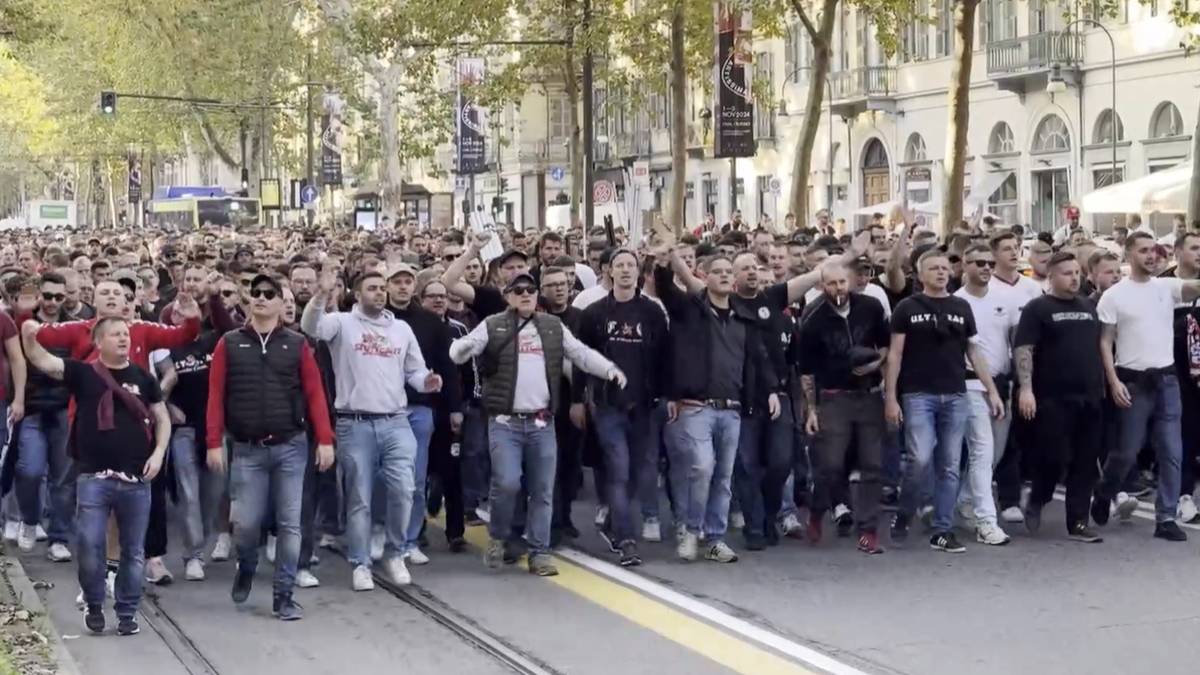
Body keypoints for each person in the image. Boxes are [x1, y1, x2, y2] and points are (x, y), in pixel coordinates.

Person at [449, 272, 626, 577]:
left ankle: (539, 552)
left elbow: (580, 354)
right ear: (508, 296)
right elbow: (461, 348)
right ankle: (499, 537)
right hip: (505, 422)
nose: (526, 294)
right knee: (506, 483)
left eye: (530, 289)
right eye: (518, 290)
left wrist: (608, 368)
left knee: (543, 490)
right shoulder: (494, 324)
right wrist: (462, 351)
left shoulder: (552, 327)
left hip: (542, 422)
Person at [22, 316, 170, 637]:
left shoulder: (144, 378)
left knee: (133, 551)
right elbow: (43, 361)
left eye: (126, 334)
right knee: (90, 544)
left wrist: (158, 453)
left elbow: (161, 417)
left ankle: (127, 612)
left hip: (136, 479)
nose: (123, 339)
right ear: (98, 341)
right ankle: (93, 601)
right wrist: (29, 338)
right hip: (93, 477)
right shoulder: (83, 372)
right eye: (115, 334)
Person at [206, 273, 335, 620]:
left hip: (291, 446)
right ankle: (246, 564)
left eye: (269, 293)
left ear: (281, 303)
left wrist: (324, 439)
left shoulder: (297, 344)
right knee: (246, 525)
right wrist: (213, 441)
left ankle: (284, 594)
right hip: (247, 448)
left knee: (290, 522)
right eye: (256, 293)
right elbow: (216, 394)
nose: (261, 298)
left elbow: (315, 395)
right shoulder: (229, 343)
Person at [653, 247, 781, 564]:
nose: (724, 275)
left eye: (728, 272)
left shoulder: (744, 317)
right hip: (697, 406)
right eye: (717, 271)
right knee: (702, 466)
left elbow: (758, 358)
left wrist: (771, 390)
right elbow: (667, 288)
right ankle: (691, 531)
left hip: (733, 408)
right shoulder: (691, 310)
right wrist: (661, 262)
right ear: (705, 278)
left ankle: (714, 538)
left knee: (723, 478)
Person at [886, 249, 1004, 553]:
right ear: (921, 274)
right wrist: (891, 398)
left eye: (944, 268)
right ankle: (905, 512)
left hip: (956, 394)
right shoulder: (907, 308)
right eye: (934, 268)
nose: (941, 272)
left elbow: (973, 352)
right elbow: (895, 355)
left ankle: (942, 529)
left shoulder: (961, 306)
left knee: (950, 465)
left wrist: (990, 389)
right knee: (920, 459)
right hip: (918, 394)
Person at [1092, 232, 1200, 541]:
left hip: (1167, 381)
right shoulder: (1114, 295)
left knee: (1172, 452)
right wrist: (1113, 381)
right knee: (1126, 452)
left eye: (1154, 251)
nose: (1151, 256)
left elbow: (1193, 286)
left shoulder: (1166, 288)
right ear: (1128, 254)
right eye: (1143, 251)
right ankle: (1106, 489)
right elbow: (1105, 341)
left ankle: (1165, 518)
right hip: (1132, 381)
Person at [577, 249, 670, 566]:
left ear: (639, 272)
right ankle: (626, 539)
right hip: (608, 406)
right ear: (609, 272)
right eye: (620, 265)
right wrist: (579, 399)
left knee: (640, 473)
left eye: (632, 265)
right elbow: (582, 359)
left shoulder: (653, 312)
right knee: (618, 469)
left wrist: (666, 397)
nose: (626, 270)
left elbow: (664, 358)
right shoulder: (593, 313)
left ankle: (613, 518)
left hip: (644, 406)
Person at [1014, 252, 1105, 543]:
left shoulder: (1089, 307)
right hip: (1052, 397)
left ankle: (1078, 522)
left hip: (1089, 396)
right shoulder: (1037, 308)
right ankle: (1038, 497)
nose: (1074, 277)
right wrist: (1026, 389)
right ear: (1051, 277)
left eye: (1077, 272)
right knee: (1054, 458)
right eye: (1067, 272)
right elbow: (1024, 349)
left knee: (1085, 462)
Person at [799, 263, 890, 554]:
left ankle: (868, 530)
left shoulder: (871, 306)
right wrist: (811, 409)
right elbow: (806, 370)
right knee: (830, 465)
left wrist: (876, 364)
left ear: (850, 282)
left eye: (842, 282)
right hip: (834, 396)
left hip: (870, 394)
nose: (839, 288)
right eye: (832, 283)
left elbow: (887, 345)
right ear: (822, 286)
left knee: (872, 465)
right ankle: (816, 512)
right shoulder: (813, 318)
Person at [382, 263, 459, 566]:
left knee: (414, 480)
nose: (402, 287)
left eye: (407, 281)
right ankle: (382, 533)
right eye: (396, 281)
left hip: (420, 409)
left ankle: (409, 540)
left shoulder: (430, 322)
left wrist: (455, 408)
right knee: (382, 480)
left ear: (414, 286)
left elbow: (447, 366)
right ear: (387, 285)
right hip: (382, 410)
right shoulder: (374, 319)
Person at [952, 245, 1015, 546]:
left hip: (1001, 384)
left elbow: (1015, 342)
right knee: (981, 449)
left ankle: (964, 500)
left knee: (995, 453)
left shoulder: (1005, 299)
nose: (987, 267)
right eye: (979, 262)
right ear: (964, 265)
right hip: (969, 385)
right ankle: (986, 521)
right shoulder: (955, 302)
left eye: (990, 262)